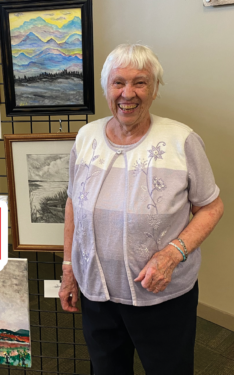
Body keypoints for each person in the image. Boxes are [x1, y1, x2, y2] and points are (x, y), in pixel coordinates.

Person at [59, 44, 224, 374]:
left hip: (160, 295)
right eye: (118, 82)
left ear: (155, 88)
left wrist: (171, 254)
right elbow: (74, 203)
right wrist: (68, 270)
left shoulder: (182, 141)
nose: (127, 94)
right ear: (107, 87)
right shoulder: (86, 137)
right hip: (97, 292)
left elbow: (211, 206)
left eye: (140, 82)